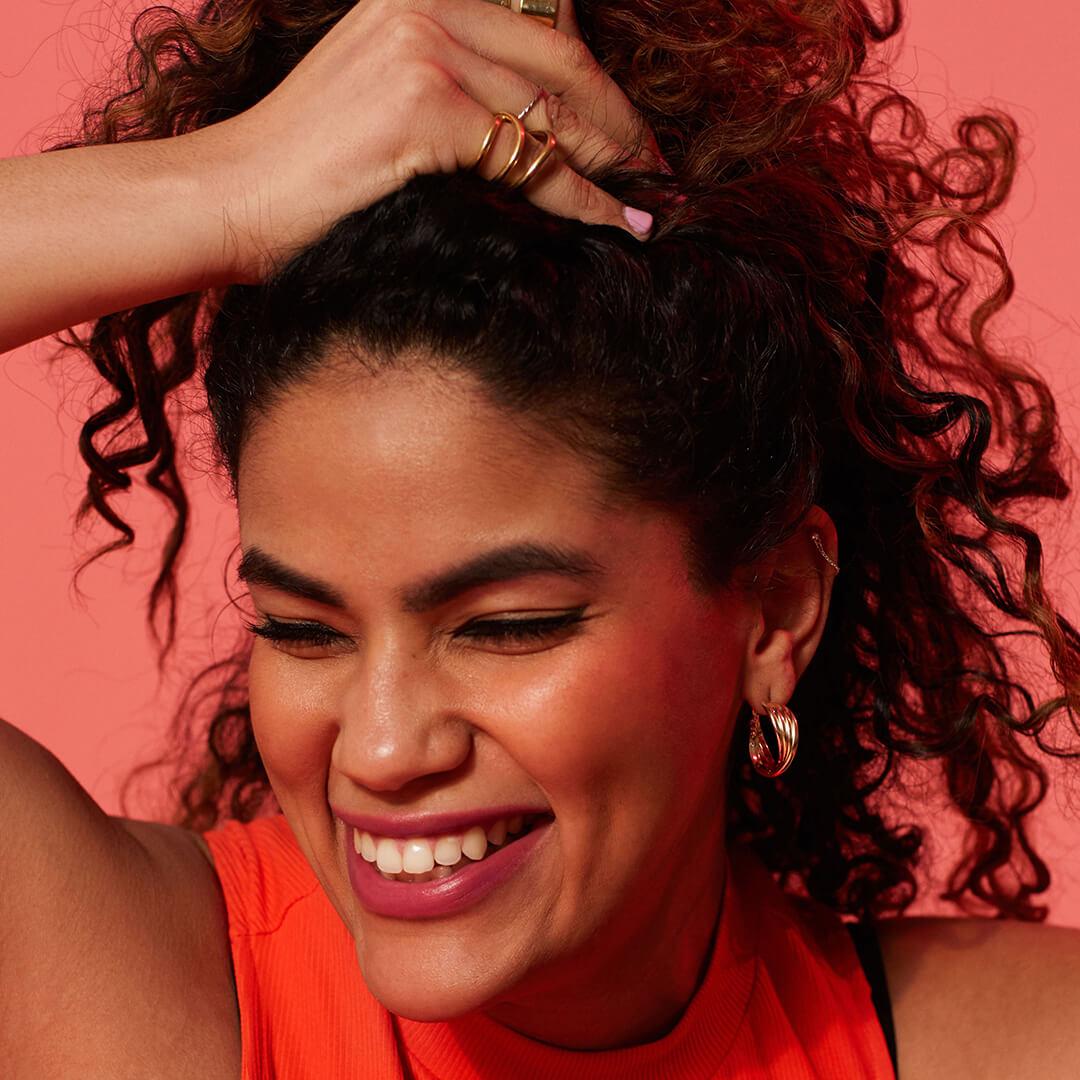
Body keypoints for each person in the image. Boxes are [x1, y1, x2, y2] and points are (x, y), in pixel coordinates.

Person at [3, 0, 1080, 1076]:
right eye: (303, 629)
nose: (382, 751)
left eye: (506, 627)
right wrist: (220, 190)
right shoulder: (145, 995)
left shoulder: (1007, 1043)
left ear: (775, 612)